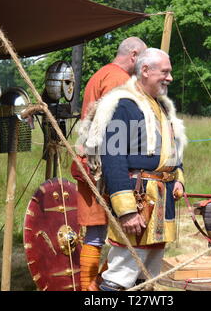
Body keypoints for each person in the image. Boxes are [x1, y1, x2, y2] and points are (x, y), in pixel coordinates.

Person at [77, 48, 187, 291]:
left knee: (147, 274)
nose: (170, 78)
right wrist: (126, 210)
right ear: (145, 71)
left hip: (162, 200)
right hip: (139, 201)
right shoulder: (123, 105)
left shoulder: (162, 106)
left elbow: (171, 147)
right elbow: (112, 158)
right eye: (165, 72)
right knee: (121, 275)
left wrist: (177, 176)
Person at [72, 37, 147, 291]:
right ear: (134, 55)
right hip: (104, 168)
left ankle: (96, 286)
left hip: (93, 163)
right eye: (143, 60)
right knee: (117, 232)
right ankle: (95, 288)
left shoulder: (100, 74)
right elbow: (115, 133)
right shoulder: (117, 80)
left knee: (98, 233)